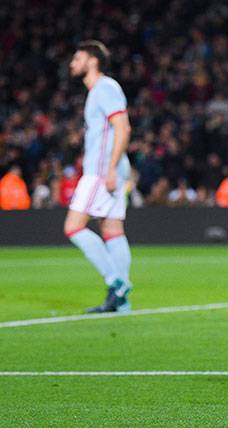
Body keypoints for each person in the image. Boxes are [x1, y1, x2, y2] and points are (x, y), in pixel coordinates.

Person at [64, 40, 133, 313]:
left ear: (92, 61)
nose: (72, 63)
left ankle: (116, 282)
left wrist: (111, 168)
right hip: (110, 167)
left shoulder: (104, 88)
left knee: (74, 227)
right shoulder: (100, 90)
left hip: (102, 170)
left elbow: (123, 128)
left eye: (77, 58)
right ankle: (121, 301)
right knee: (112, 229)